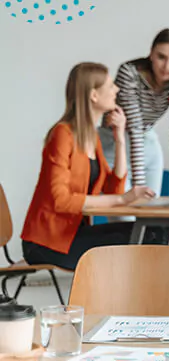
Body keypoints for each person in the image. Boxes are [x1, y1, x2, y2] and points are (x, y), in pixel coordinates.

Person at [20, 63, 159, 270]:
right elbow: (60, 200)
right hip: (47, 242)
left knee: (153, 231)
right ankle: (127, 297)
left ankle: (136, 297)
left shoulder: (91, 137)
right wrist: (122, 199)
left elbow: (114, 189)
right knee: (145, 237)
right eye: (111, 86)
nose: (117, 90)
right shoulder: (62, 135)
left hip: (73, 234)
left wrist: (120, 138)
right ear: (94, 95)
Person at [100, 28, 169, 198]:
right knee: (125, 221)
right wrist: (139, 184)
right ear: (151, 53)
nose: (167, 67)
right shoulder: (129, 73)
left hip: (149, 146)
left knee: (150, 216)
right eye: (161, 57)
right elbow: (134, 127)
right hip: (115, 147)